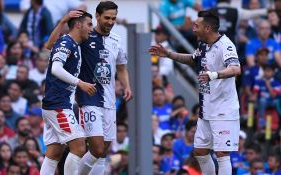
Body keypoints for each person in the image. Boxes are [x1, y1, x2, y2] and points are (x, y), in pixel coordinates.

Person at [149, 9, 241, 175]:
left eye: (196, 25)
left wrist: (214, 75)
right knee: (200, 151)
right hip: (207, 109)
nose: (193, 29)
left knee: (221, 153)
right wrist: (168, 54)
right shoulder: (204, 45)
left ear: (207, 28)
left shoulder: (226, 45)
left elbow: (236, 68)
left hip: (223, 109)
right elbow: (192, 59)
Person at [46, 2, 133, 174]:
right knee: (97, 148)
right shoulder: (85, 35)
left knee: (102, 152)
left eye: (113, 18)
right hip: (89, 99)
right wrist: (63, 21)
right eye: (106, 18)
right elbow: (52, 45)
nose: (110, 22)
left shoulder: (116, 39)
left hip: (110, 100)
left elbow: (121, 67)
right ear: (98, 16)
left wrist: (127, 86)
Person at [39, 11, 96, 175]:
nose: (91, 29)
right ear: (78, 24)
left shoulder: (72, 44)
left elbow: (48, 46)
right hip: (58, 105)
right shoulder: (67, 42)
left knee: (54, 153)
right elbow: (56, 69)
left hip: (58, 104)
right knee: (79, 146)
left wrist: (63, 21)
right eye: (89, 24)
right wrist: (80, 83)